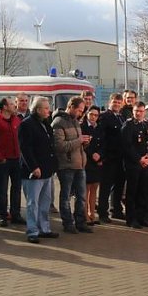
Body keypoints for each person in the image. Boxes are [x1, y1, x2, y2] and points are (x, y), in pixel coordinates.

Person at [18, 96, 59, 243]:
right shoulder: (27, 124)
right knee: (33, 203)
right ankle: (32, 231)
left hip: (47, 170)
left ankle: (44, 228)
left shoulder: (45, 123)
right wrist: (34, 167)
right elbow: (25, 148)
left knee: (45, 202)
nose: (49, 111)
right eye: (46, 108)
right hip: (34, 172)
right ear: (38, 109)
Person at [52, 96, 93, 234]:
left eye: (82, 111)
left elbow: (76, 143)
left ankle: (80, 222)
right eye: (79, 110)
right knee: (66, 196)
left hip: (79, 164)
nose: (81, 113)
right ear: (71, 107)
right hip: (66, 165)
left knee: (81, 196)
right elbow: (59, 146)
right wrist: (79, 140)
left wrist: (84, 143)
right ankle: (68, 223)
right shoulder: (58, 122)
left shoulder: (75, 121)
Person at [0, 97, 24, 227]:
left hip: (16, 159)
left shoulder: (16, 120)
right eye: (12, 104)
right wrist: (0, 157)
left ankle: (15, 214)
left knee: (17, 188)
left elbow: (21, 138)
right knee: (2, 189)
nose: (15, 106)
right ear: (4, 107)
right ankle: (3, 215)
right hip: (2, 161)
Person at [121, 101, 148, 229]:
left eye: (140, 111)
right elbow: (127, 146)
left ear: (144, 112)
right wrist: (139, 159)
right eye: (136, 111)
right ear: (133, 111)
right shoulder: (128, 125)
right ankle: (131, 218)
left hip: (144, 163)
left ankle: (142, 217)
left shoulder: (145, 124)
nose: (138, 113)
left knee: (143, 191)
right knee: (132, 192)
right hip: (133, 164)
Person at [97, 93, 126, 222]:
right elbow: (101, 137)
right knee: (106, 187)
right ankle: (103, 213)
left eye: (119, 103)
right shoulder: (104, 117)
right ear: (110, 102)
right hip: (109, 157)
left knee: (119, 185)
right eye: (115, 102)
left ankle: (116, 210)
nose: (117, 104)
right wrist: (103, 156)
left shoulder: (121, 117)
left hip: (120, 157)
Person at [82, 105, 103, 226]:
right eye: (91, 114)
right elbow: (84, 145)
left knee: (95, 187)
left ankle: (92, 213)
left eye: (96, 115)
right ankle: (84, 214)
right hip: (87, 161)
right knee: (86, 188)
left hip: (97, 161)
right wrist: (92, 154)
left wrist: (100, 155)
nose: (93, 117)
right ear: (87, 114)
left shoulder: (99, 128)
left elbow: (104, 143)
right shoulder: (83, 127)